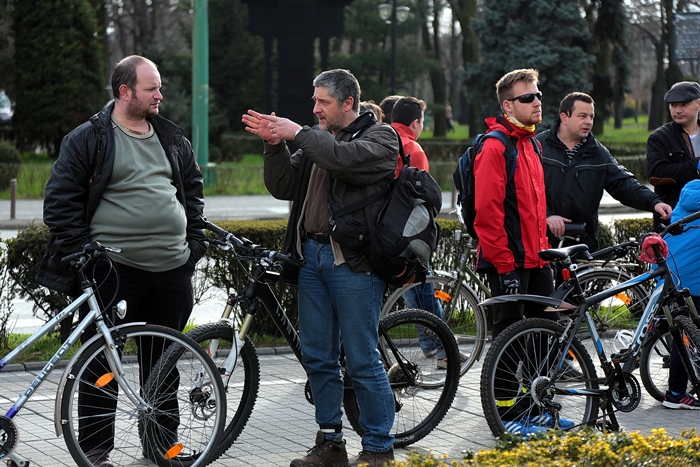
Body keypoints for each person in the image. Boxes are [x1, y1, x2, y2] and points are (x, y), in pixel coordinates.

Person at [36, 55, 208, 467]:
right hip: (112, 272)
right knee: (101, 364)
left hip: (172, 269)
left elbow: (193, 190)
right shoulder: (89, 138)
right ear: (125, 91)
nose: (160, 95)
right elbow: (59, 202)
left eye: (159, 87)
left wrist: (194, 246)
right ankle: (96, 452)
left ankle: (163, 449)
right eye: (152, 88)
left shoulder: (171, 138)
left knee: (164, 364)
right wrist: (83, 253)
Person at [242, 69, 397, 467]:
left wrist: (297, 133)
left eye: (322, 102)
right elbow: (284, 187)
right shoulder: (317, 139)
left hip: (353, 263)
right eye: (314, 101)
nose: (315, 109)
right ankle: (331, 443)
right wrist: (275, 145)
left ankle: (379, 448)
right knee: (317, 358)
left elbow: (343, 160)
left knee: (361, 359)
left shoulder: (381, 137)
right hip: (311, 258)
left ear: (348, 102)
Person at [473, 69, 563, 434]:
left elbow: (533, 208)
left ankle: (535, 405)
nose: (537, 101)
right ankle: (507, 415)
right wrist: (504, 266)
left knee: (544, 336)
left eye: (538, 95)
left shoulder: (531, 143)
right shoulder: (496, 146)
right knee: (509, 340)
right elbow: (487, 213)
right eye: (528, 97)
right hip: (508, 262)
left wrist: (546, 251)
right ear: (508, 105)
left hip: (537, 257)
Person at [537, 92, 672, 252]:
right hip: (540, 240)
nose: (589, 122)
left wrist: (654, 202)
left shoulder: (598, 152)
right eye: (582, 116)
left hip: (581, 243)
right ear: (564, 118)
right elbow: (522, 190)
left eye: (591, 117)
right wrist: (546, 215)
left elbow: (623, 184)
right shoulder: (538, 147)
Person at [390, 96, 467, 368]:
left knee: (410, 289)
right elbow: (422, 198)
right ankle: (445, 350)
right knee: (424, 287)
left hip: (383, 233)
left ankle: (429, 343)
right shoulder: (413, 148)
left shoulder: (380, 140)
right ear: (416, 123)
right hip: (408, 232)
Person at [658, 178, 700, 410]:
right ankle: (675, 392)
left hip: (670, 269)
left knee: (683, 329)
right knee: (687, 333)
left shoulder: (691, 190)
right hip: (692, 278)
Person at [647, 81, 700, 229]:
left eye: (684, 104)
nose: (677, 110)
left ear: (699, 105)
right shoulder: (659, 137)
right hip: (674, 218)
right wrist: (696, 166)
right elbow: (656, 174)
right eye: (673, 105)